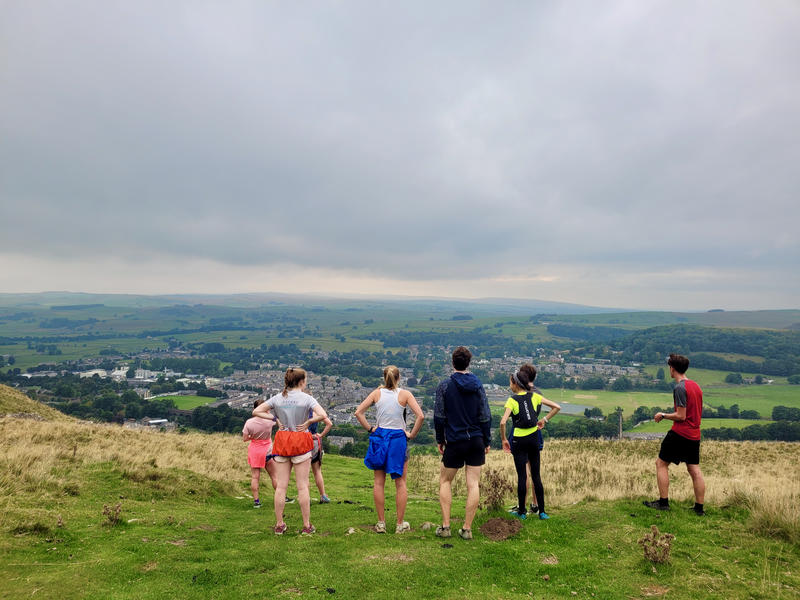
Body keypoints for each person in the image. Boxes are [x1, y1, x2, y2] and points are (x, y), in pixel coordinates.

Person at [253, 367, 329, 535]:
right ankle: (306, 526)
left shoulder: (278, 398)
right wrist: (309, 422)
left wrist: (274, 418)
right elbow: (323, 415)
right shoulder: (307, 398)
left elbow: (256, 411)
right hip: (301, 439)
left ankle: (279, 525)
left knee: (281, 486)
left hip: (282, 440)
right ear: (301, 381)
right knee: (302, 486)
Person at [356, 365, 425, 534]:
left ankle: (381, 523)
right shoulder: (405, 394)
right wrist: (411, 434)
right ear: (399, 378)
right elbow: (421, 416)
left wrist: (370, 429)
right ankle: (400, 525)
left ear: (383, 378)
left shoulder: (376, 393)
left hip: (379, 437)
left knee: (379, 482)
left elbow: (359, 412)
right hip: (398, 439)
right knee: (400, 483)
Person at [433, 346, 492, 540]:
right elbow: (485, 415)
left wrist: (440, 439)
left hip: (455, 440)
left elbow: (439, 416)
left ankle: (446, 527)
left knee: (445, 481)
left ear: (453, 362)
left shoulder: (444, 386)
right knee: (473, 484)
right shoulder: (478, 385)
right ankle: (467, 529)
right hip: (475, 439)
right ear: (469, 362)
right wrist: (486, 439)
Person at [644, 353, 706, 516]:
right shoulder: (696, 386)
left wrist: (663, 415)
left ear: (672, 369)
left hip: (680, 433)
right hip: (694, 434)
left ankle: (663, 503)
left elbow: (681, 416)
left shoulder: (679, 388)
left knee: (661, 464)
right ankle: (699, 508)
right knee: (694, 469)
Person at [499, 364, 560, 520]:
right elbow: (556, 407)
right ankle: (542, 512)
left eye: (510, 382)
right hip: (534, 437)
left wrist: (505, 439)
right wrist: (544, 420)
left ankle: (522, 512)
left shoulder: (512, 400)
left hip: (519, 440)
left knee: (522, 477)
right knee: (536, 475)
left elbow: (503, 422)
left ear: (516, 383)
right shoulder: (535, 396)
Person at [242, 398, 278, 509]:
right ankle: (282, 497)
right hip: (267, 451)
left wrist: (253, 437)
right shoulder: (270, 421)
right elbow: (276, 420)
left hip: (254, 451)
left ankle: (256, 501)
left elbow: (244, 438)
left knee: (255, 477)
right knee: (274, 476)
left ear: (254, 409)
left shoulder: (249, 422)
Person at [308, 408, 333, 503]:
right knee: (317, 471)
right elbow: (329, 424)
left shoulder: (300, 412)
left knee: (304, 474)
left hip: (303, 442)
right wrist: (321, 435)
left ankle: (306, 496)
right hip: (315, 442)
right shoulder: (316, 412)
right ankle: (323, 495)